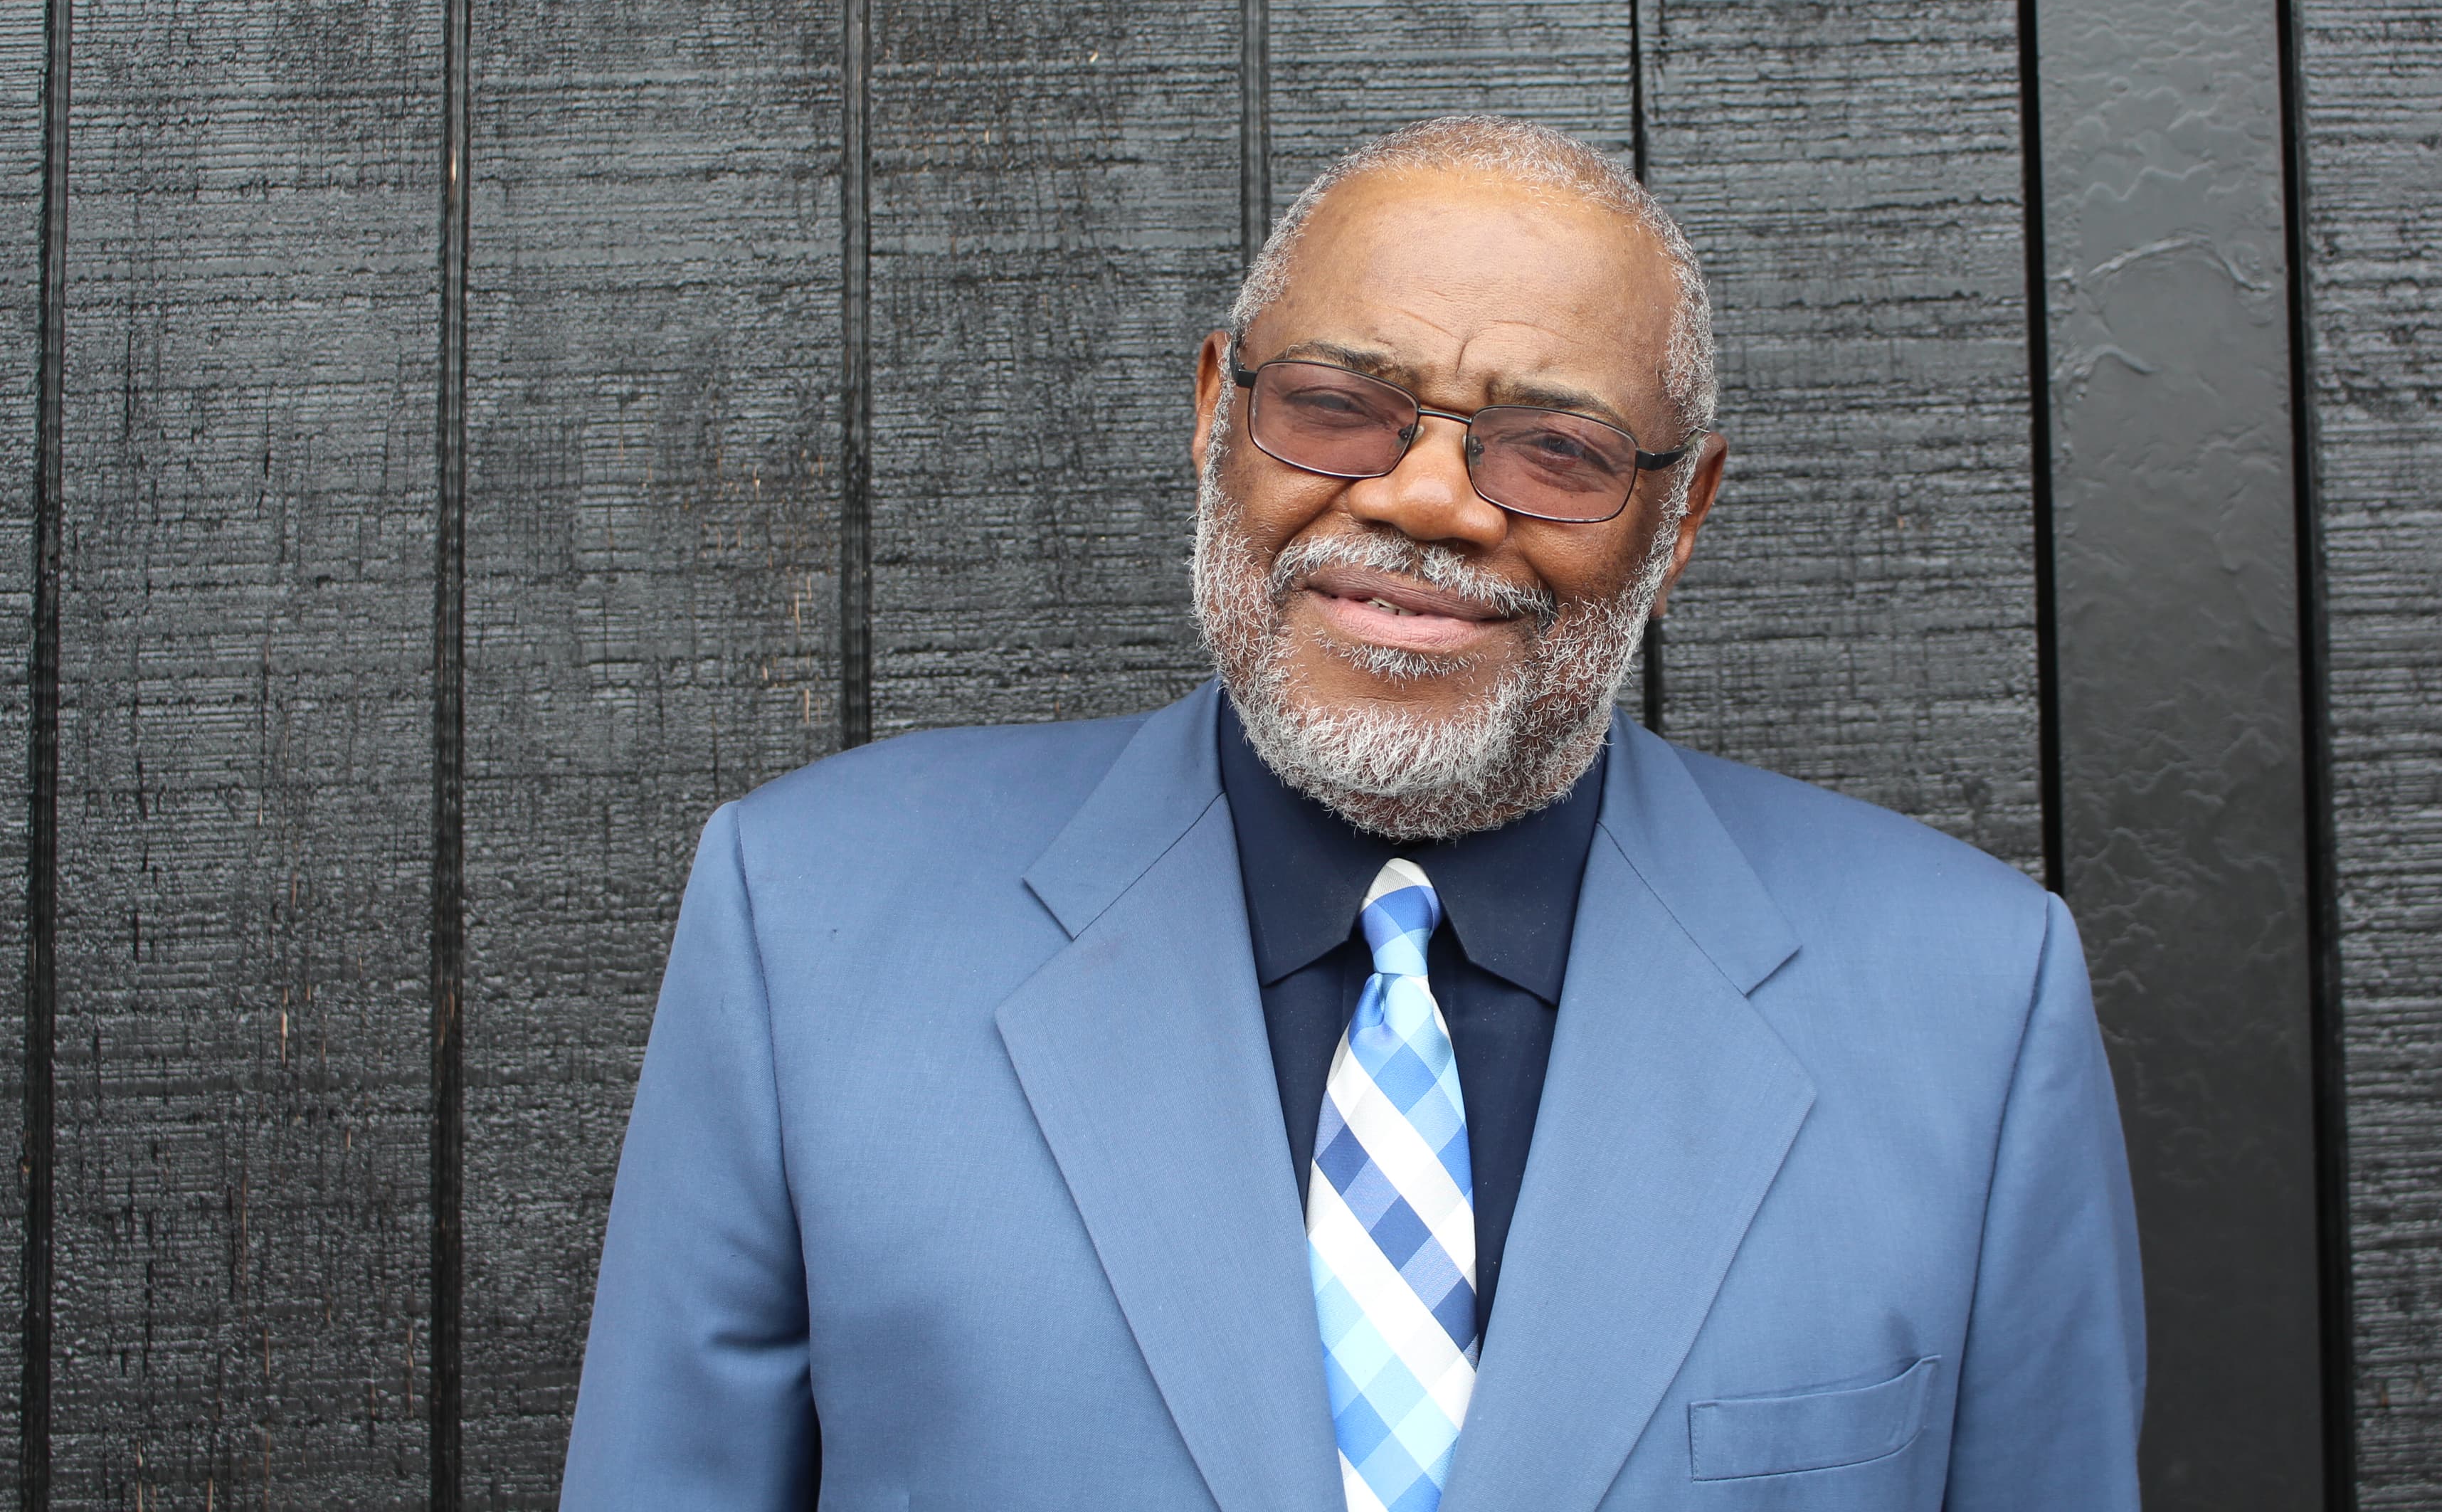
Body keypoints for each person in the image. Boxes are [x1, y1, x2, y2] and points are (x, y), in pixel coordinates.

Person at [560, 115, 2143, 1511]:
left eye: (1557, 448)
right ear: (1210, 413)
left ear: (1682, 517)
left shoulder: (1973, 1004)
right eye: (1338, 407)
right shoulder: (812, 920)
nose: (1431, 498)